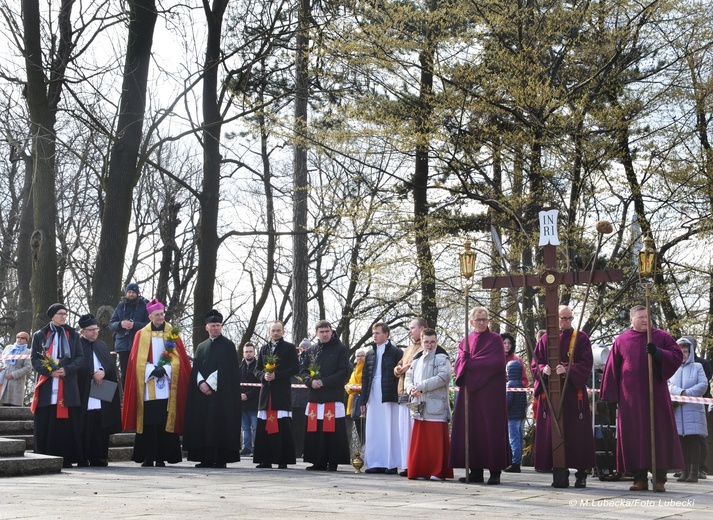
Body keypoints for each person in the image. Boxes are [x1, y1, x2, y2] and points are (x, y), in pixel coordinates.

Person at [601, 305, 684, 492]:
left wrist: (658, 353)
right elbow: (612, 368)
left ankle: (660, 478)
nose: (645, 320)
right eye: (640, 317)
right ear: (631, 320)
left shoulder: (661, 336)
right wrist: (608, 397)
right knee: (635, 437)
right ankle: (639, 478)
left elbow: (677, 355)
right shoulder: (622, 340)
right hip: (630, 400)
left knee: (659, 434)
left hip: (657, 397)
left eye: (647, 317)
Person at [122, 298, 191, 467]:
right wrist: (151, 370)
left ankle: (162, 457)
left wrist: (165, 370)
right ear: (150, 316)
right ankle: (148, 456)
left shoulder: (172, 333)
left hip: (167, 384)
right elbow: (135, 361)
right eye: (157, 315)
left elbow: (180, 359)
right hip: (148, 383)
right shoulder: (141, 334)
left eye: (162, 314)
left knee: (164, 419)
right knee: (148, 420)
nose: (161, 317)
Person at [531, 305, 595, 488]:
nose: (566, 322)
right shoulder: (545, 339)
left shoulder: (581, 338)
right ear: (555, 318)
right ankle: (560, 470)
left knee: (578, 435)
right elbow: (536, 363)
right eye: (563, 318)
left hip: (573, 395)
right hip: (552, 396)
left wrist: (568, 370)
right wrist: (543, 369)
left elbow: (586, 362)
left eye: (569, 318)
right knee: (555, 434)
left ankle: (581, 473)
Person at [449, 307, 509, 485]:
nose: (482, 322)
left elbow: (497, 363)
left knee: (491, 430)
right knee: (472, 430)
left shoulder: (495, 339)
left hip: (490, 392)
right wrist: (465, 361)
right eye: (478, 319)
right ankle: (474, 470)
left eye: (485, 319)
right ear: (471, 322)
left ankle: (495, 471)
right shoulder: (465, 341)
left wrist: (470, 362)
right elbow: (459, 364)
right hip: (470, 394)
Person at [183, 310, 242, 468]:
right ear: (206, 327)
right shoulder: (201, 347)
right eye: (212, 325)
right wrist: (201, 383)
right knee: (203, 425)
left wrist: (210, 384)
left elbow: (228, 371)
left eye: (218, 325)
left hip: (221, 396)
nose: (215, 328)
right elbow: (197, 369)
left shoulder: (228, 346)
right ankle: (205, 458)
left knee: (219, 425)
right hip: (202, 396)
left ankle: (221, 459)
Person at [30, 304, 84, 468]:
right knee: (46, 420)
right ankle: (43, 456)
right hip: (48, 383)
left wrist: (66, 370)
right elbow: (35, 358)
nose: (64, 317)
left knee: (65, 425)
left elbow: (80, 358)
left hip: (66, 383)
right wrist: (49, 371)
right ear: (52, 316)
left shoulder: (72, 334)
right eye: (60, 314)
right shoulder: (40, 335)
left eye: (65, 314)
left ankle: (66, 457)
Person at [300, 320, 351, 471]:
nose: (324, 334)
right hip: (315, 397)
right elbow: (302, 370)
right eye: (321, 332)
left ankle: (333, 461)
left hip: (332, 396)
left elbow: (343, 371)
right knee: (316, 430)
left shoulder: (341, 349)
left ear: (331, 331)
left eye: (327, 331)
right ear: (316, 333)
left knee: (332, 431)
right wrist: (310, 381)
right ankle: (318, 461)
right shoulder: (311, 350)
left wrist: (324, 382)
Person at [404, 328, 453, 480]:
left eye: (433, 342)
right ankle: (421, 470)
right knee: (421, 442)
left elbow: (444, 377)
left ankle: (437, 471)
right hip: (419, 404)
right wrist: (411, 388)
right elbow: (408, 377)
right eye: (426, 342)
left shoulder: (442, 358)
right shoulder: (417, 359)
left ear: (437, 342)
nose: (430, 345)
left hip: (436, 405)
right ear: (421, 342)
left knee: (435, 442)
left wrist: (422, 386)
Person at [76, 314, 122, 467]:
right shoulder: (77, 345)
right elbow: (77, 366)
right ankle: (83, 457)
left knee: (100, 423)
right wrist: (91, 373)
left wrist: (102, 371)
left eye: (96, 329)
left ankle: (99, 456)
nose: (95, 332)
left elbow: (109, 366)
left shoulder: (101, 345)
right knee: (85, 424)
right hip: (85, 389)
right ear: (83, 332)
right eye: (91, 330)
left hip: (101, 387)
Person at [253, 320, 300, 469]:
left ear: (283, 331)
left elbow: (294, 368)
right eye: (273, 330)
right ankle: (265, 459)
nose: (275, 333)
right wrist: (263, 376)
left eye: (278, 330)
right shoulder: (263, 349)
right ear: (269, 332)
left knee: (282, 425)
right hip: (266, 394)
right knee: (264, 426)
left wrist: (277, 375)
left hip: (281, 393)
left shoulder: (289, 348)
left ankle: (282, 459)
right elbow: (257, 369)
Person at [359, 322, 403, 474]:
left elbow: (399, 375)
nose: (374, 336)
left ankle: (390, 463)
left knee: (389, 428)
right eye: (373, 333)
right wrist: (362, 399)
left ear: (386, 334)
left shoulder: (396, 352)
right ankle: (376, 462)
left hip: (388, 392)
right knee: (374, 428)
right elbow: (365, 377)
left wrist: (397, 393)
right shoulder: (370, 353)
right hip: (373, 392)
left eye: (377, 333)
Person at [668, 337, 708, 483]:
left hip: (693, 410)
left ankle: (694, 472)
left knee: (693, 442)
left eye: (686, 351)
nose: (683, 354)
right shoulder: (672, 367)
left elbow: (703, 385)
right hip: (678, 410)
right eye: (681, 351)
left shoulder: (698, 367)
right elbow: (668, 384)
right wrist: (680, 394)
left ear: (690, 352)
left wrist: (686, 394)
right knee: (681, 443)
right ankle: (683, 470)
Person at [394, 317, 427, 476]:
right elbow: (399, 364)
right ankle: (406, 464)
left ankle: (417, 463)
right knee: (404, 430)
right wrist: (398, 368)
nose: (410, 331)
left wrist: (409, 367)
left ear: (421, 329)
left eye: (412, 328)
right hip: (402, 392)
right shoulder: (407, 349)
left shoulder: (426, 346)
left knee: (415, 430)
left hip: (416, 394)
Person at [108, 283, 149, 389]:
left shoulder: (144, 305)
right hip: (122, 345)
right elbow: (112, 324)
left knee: (139, 372)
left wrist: (134, 325)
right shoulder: (120, 306)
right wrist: (120, 324)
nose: (131, 294)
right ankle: (126, 397)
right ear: (126, 293)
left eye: (133, 292)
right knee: (125, 374)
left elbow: (149, 324)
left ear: (137, 293)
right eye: (129, 292)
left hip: (139, 344)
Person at [505, 360, 527, 474]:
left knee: (513, 440)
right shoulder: (521, 384)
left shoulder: (509, 385)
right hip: (520, 416)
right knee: (519, 439)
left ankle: (515, 463)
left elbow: (508, 402)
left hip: (512, 417)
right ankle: (517, 461)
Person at [1, 331, 33, 406]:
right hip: (4, 378)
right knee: (3, 404)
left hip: (17, 381)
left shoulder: (28, 352)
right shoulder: (8, 348)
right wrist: (1, 366)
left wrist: (13, 375)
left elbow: (28, 368)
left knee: (14, 404)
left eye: (22, 338)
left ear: (26, 340)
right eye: (18, 337)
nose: (19, 339)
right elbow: (2, 360)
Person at [345, 347, 368, 450]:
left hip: (362, 401)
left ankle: (366, 449)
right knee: (358, 428)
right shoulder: (355, 369)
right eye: (358, 356)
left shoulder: (367, 367)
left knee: (364, 429)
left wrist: (357, 387)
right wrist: (349, 387)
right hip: (353, 401)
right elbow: (350, 382)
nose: (360, 358)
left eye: (362, 355)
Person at [239, 342, 260, 456]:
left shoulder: (258, 368)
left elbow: (259, 386)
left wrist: (248, 395)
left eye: (250, 351)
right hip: (242, 403)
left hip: (254, 402)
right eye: (246, 352)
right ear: (243, 353)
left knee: (255, 427)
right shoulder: (240, 368)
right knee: (245, 427)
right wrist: (240, 395)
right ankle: (246, 447)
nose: (248, 354)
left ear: (254, 352)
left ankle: (256, 448)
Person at [292, 338, 311, 458]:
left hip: (306, 400)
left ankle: (305, 449)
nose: (304, 351)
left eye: (306, 348)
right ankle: (296, 450)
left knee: (306, 427)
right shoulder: (295, 362)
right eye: (302, 348)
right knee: (294, 427)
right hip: (294, 400)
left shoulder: (312, 362)